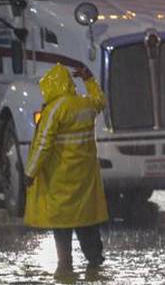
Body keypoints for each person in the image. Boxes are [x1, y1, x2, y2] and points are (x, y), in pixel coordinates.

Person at [24, 63, 109, 274]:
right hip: (85, 178)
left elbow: (43, 144)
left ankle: (65, 265)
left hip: (60, 179)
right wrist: (89, 79)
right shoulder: (85, 105)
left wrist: (30, 172)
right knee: (86, 221)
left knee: (62, 225)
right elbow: (101, 101)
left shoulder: (54, 111)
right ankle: (95, 260)